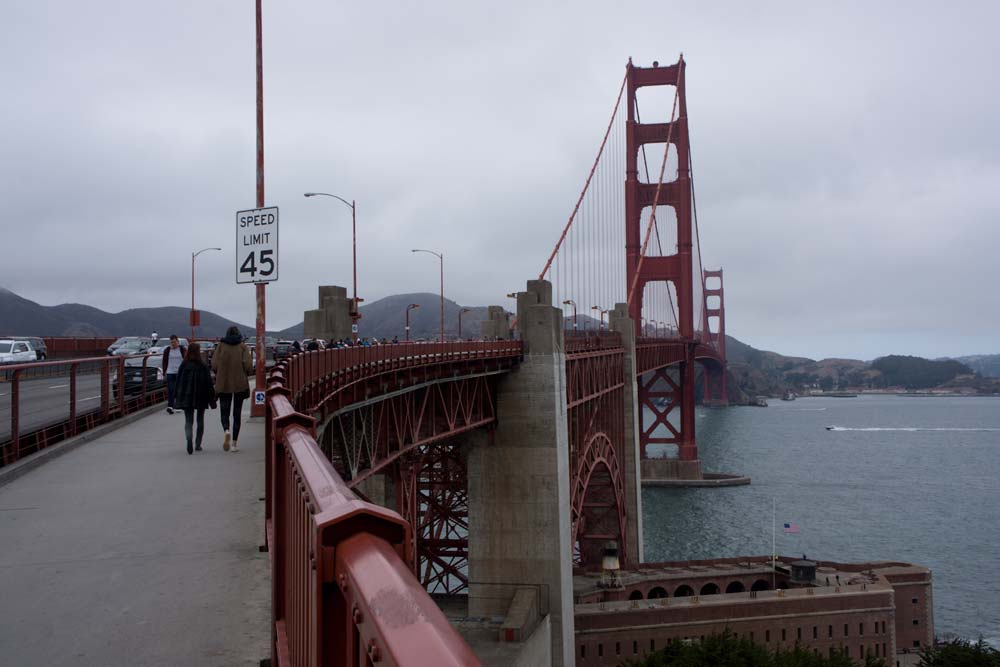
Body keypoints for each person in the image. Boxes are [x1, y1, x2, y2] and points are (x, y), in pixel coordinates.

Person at [213, 326, 252, 452]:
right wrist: (246, 372)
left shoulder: (221, 346)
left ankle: (226, 430)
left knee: (224, 411)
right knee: (237, 413)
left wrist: (219, 372)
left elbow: (214, 364)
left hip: (224, 383)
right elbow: (248, 365)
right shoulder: (242, 346)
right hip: (239, 383)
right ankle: (234, 444)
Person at [174, 343, 215, 455]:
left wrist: (176, 396)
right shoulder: (202, 365)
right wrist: (212, 400)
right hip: (201, 395)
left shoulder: (184, 364)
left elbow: (178, 381)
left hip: (187, 395)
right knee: (200, 419)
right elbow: (209, 383)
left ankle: (189, 439)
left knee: (188, 420)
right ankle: (198, 444)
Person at [161, 334, 186, 414]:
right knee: (171, 389)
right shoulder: (167, 350)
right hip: (170, 372)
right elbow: (164, 361)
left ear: (177, 341)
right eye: (171, 342)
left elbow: (186, 360)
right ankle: (170, 406)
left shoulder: (182, 349)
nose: (173, 344)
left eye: (174, 342)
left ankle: (178, 405)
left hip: (180, 372)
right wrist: (164, 371)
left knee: (179, 389)